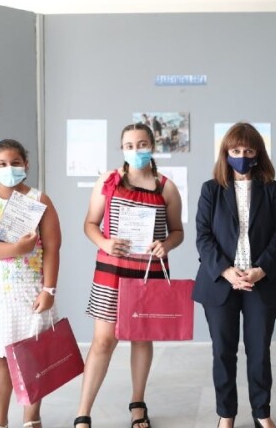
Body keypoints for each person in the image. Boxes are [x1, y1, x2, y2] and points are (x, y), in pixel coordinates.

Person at [73, 123, 184, 428]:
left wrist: (166, 244)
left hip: (148, 273)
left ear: (153, 146)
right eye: (130, 145)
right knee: (102, 341)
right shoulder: (108, 181)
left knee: (141, 338)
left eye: (142, 144)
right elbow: (90, 224)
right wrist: (105, 243)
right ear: (122, 149)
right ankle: (83, 412)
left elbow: (177, 232)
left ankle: (138, 403)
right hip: (111, 270)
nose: (136, 150)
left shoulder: (166, 188)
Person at [194, 122, 276, 428]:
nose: (242, 156)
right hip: (220, 281)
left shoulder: (273, 189)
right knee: (223, 352)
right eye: (235, 150)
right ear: (226, 153)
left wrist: (262, 269)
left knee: (259, 352)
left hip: (261, 281)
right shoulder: (211, 189)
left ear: (258, 154)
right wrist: (225, 270)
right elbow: (203, 235)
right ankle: (226, 414)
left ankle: (262, 413)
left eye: (249, 150)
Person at [0, 139, 61, 428]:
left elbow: (53, 248)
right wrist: (15, 249)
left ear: (26, 164)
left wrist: (49, 289)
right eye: (3, 164)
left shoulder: (40, 199)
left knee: (33, 356)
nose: (10, 168)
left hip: (32, 291)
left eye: (16, 163)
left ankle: (32, 419)